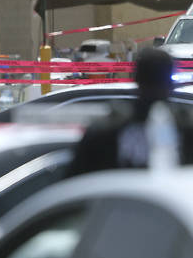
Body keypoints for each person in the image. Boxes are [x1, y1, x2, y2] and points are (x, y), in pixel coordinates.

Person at [67, 48, 193, 176]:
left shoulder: (106, 129)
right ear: (170, 83)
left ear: (136, 78)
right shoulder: (186, 128)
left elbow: (76, 181)